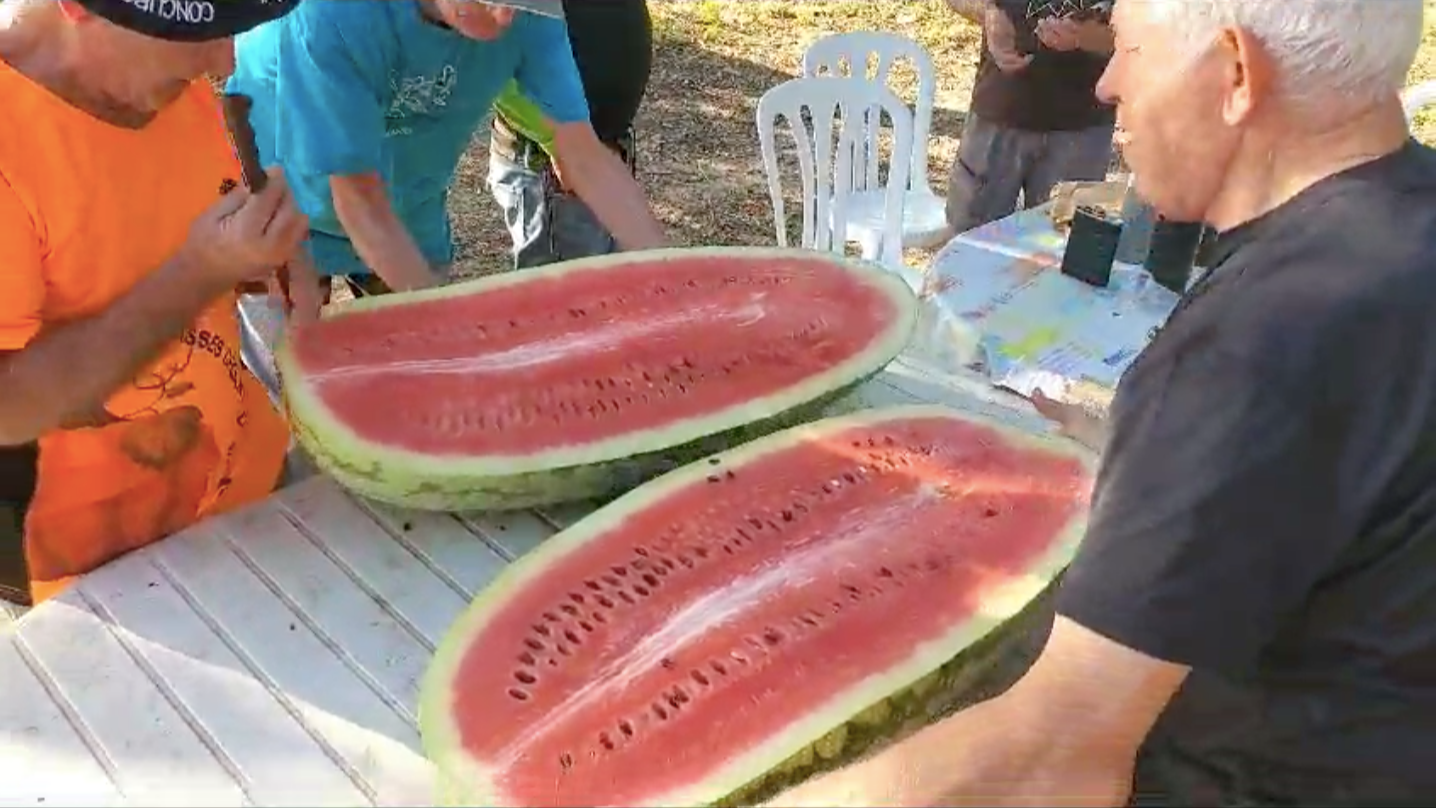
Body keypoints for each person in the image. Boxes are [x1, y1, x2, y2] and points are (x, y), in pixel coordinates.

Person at [764, 0, 1436, 804]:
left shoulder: (1253, 344)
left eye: (1131, 50)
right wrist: (1130, 443)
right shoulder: (1407, 230)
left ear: (1234, 74)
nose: (1110, 84)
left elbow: (1052, 761)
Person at [0, 0, 316, 607]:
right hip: (96, 583)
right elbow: (10, 408)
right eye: (198, 31)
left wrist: (264, 255)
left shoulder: (158, 82)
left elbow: (170, 225)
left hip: (240, 496)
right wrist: (201, 270)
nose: (225, 59)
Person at [226, 0, 669, 299]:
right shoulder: (335, 14)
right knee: (281, 393)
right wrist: (447, 326)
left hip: (407, 204)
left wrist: (675, 272)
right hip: (280, 200)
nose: (503, 17)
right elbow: (357, 196)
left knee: (415, 384)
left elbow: (586, 157)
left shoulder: (534, 13)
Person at [487, 0, 653, 270]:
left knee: (607, 287)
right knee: (566, 300)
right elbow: (493, 61)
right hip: (555, 164)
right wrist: (554, 142)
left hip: (599, 151)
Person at [944, 0, 1116, 234]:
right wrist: (987, 13)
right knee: (967, 248)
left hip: (1084, 127)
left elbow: (1152, 26)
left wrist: (1088, 37)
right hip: (998, 113)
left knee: (1061, 251)